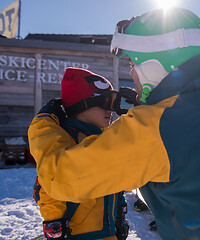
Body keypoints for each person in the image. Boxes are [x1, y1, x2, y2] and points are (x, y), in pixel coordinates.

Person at [28, 8, 200, 240]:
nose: (131, 75)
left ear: (153, 64)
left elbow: (62, 178)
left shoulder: (157, 126)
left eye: (132, 65)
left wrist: (43, 124)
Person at [32, 67, 129, 240]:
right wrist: (55, 224)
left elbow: (116, 182)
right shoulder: (66, 140)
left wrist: (120, 214)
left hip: (109, 232)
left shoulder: (104, 139)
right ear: (81, 105)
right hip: (78, 233)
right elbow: (48, 188)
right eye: (105, 102)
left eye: (114, 103)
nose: (111, 110)